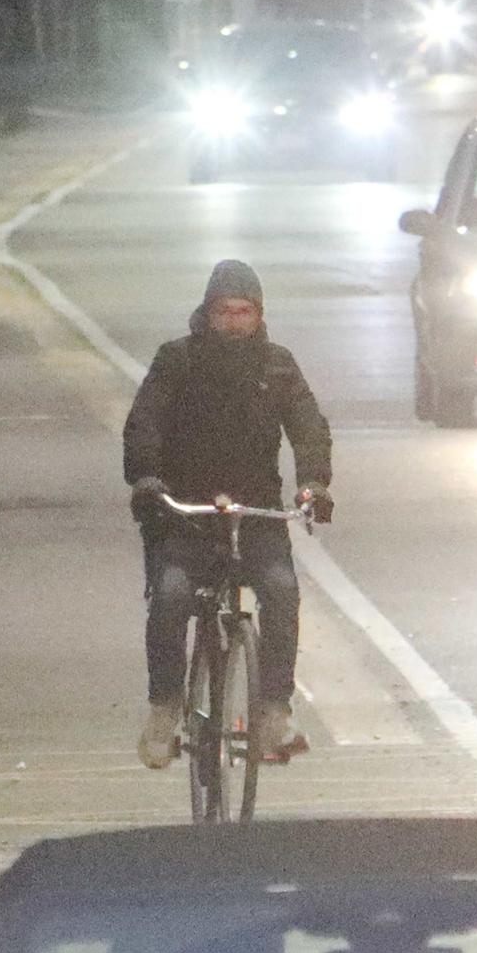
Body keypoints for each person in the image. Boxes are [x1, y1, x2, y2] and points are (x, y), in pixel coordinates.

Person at [125, 257, 334, 766]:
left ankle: (272, 715)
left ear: (259, 315)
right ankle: (164, 710)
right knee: (172, 598)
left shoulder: (277, 365)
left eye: (245, 312)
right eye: (226, 311)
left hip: (255, 511)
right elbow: (144, 423)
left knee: (282, 594)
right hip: (188, 514)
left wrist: (313, 483)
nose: (235, 321)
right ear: (208, 311)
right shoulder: (177, 361)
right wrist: (147, 479)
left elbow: (308, 426)